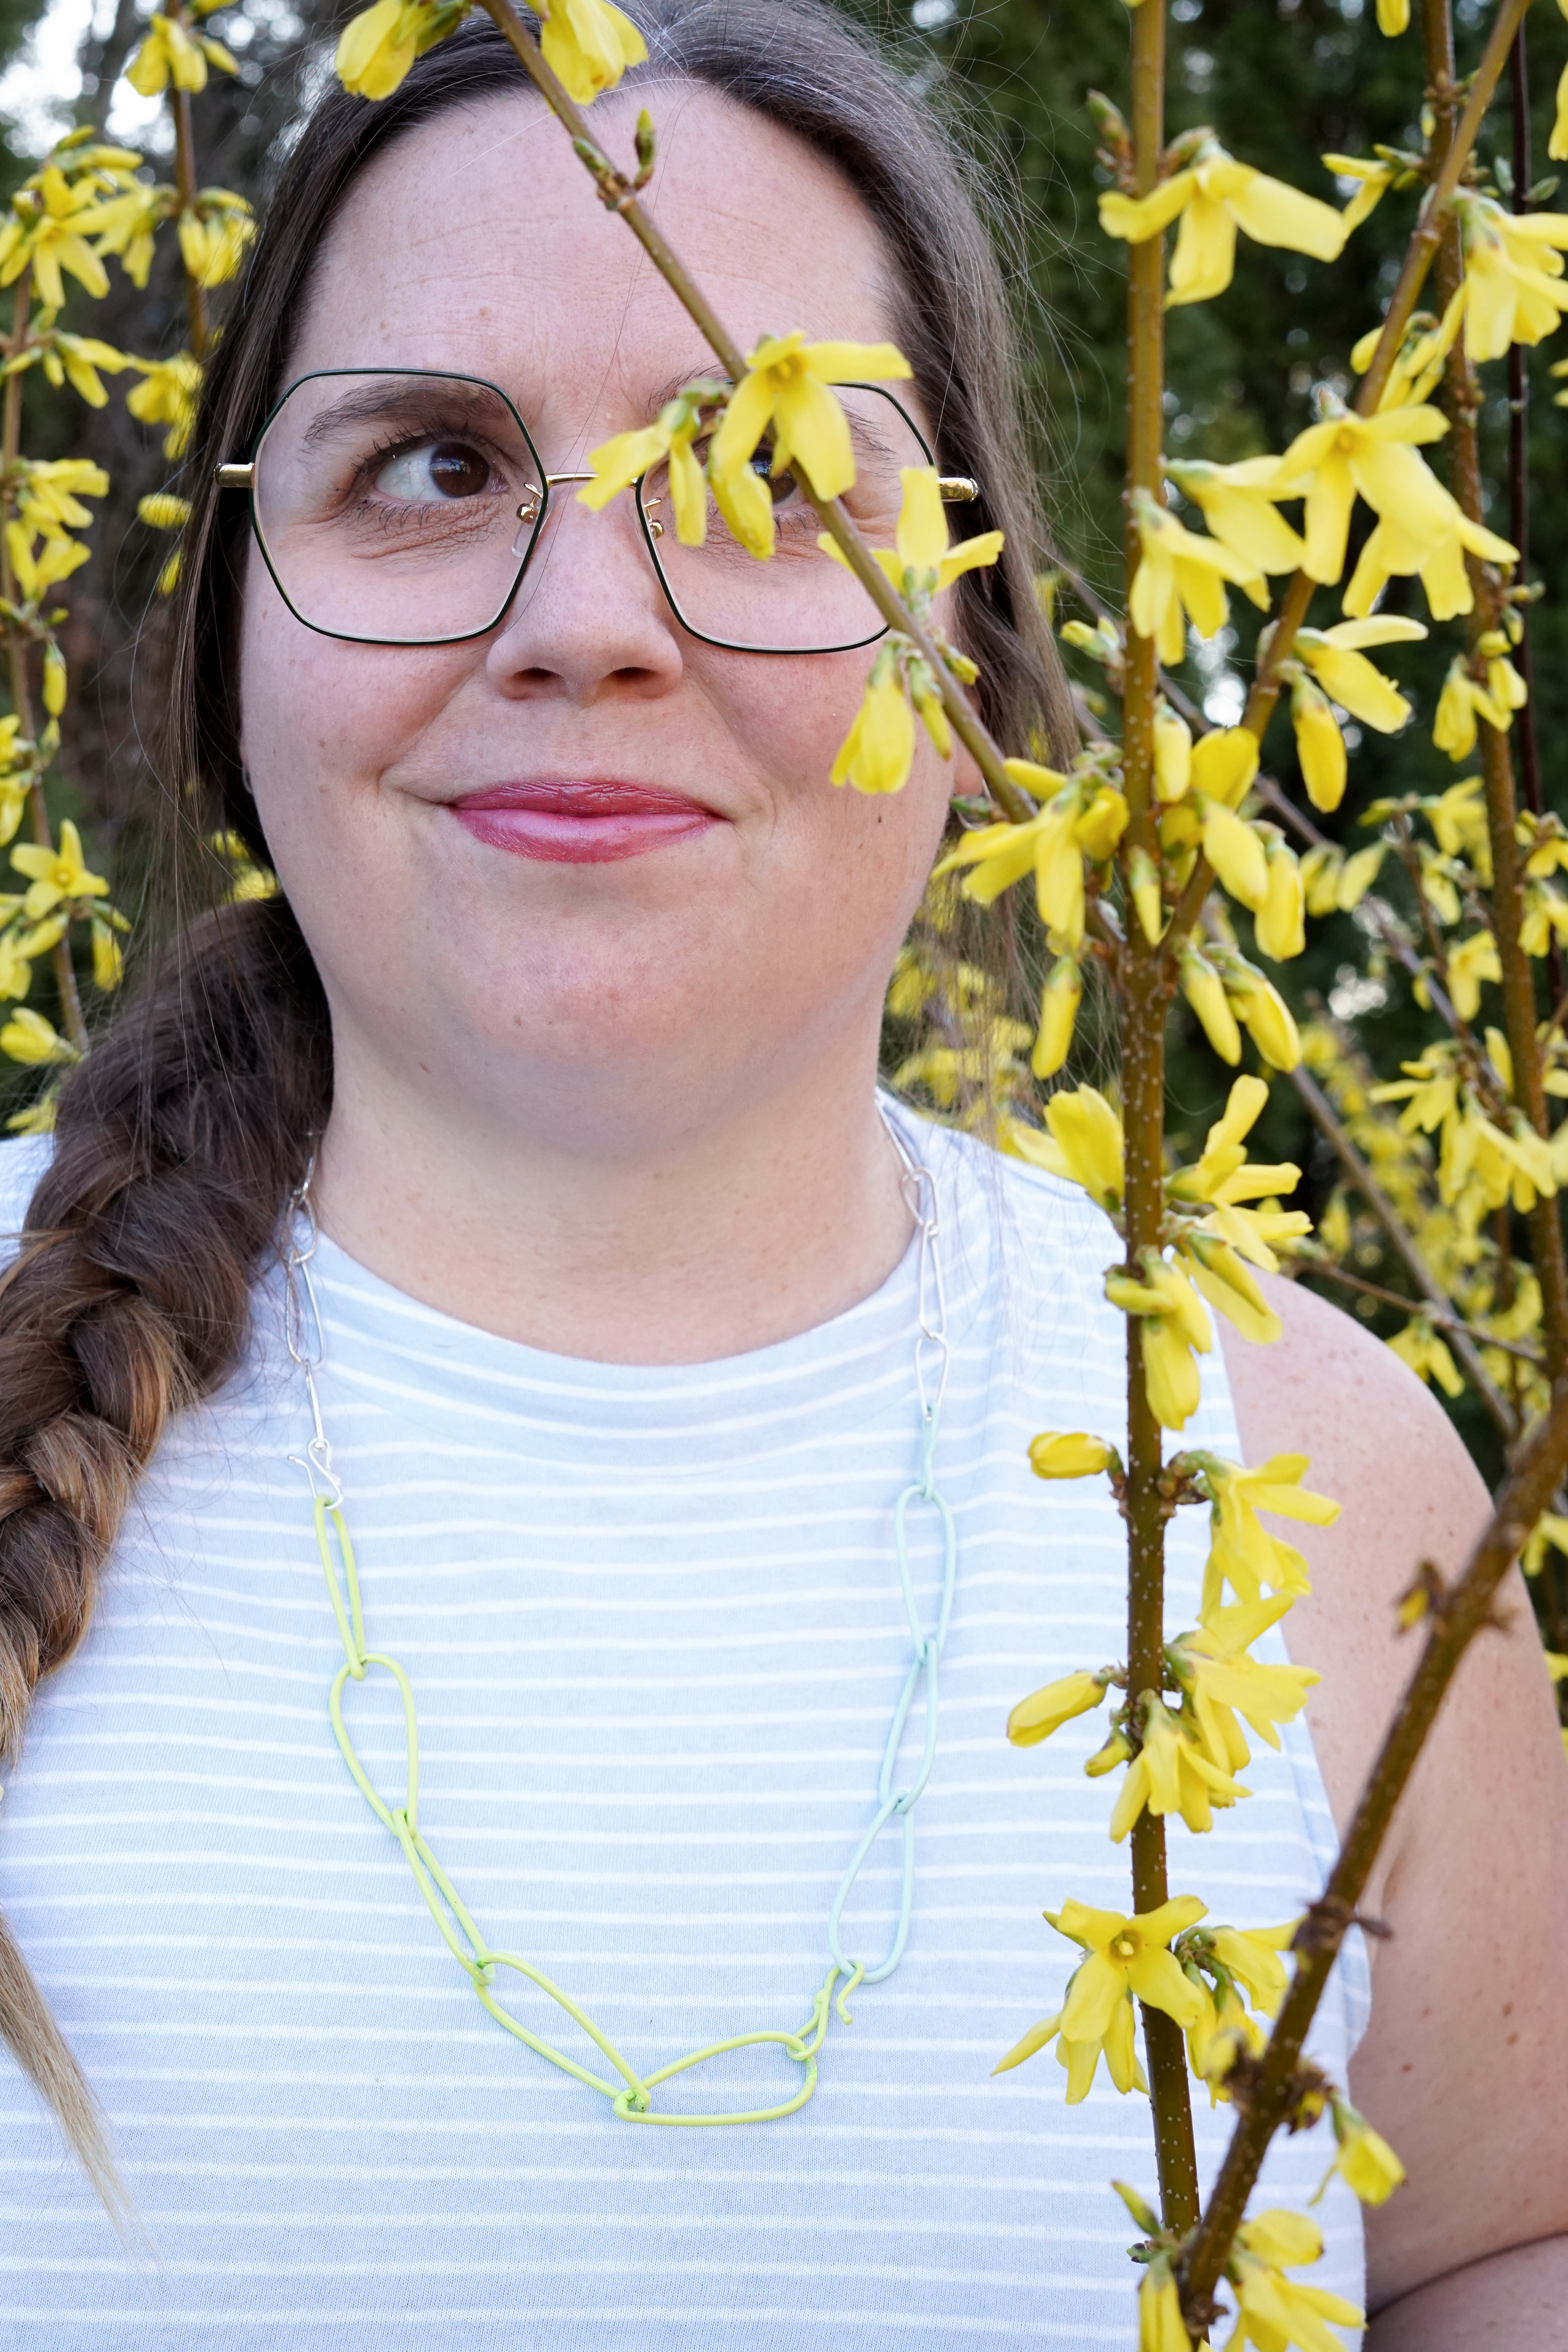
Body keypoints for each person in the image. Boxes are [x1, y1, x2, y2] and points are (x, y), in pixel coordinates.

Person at [0, 5, 1561, 2346]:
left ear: (985, 662)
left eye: (762, 477)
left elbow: (1502, 2245)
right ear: (235, 634)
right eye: (427, 464)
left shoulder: (1305, 1469)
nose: (586, 622)